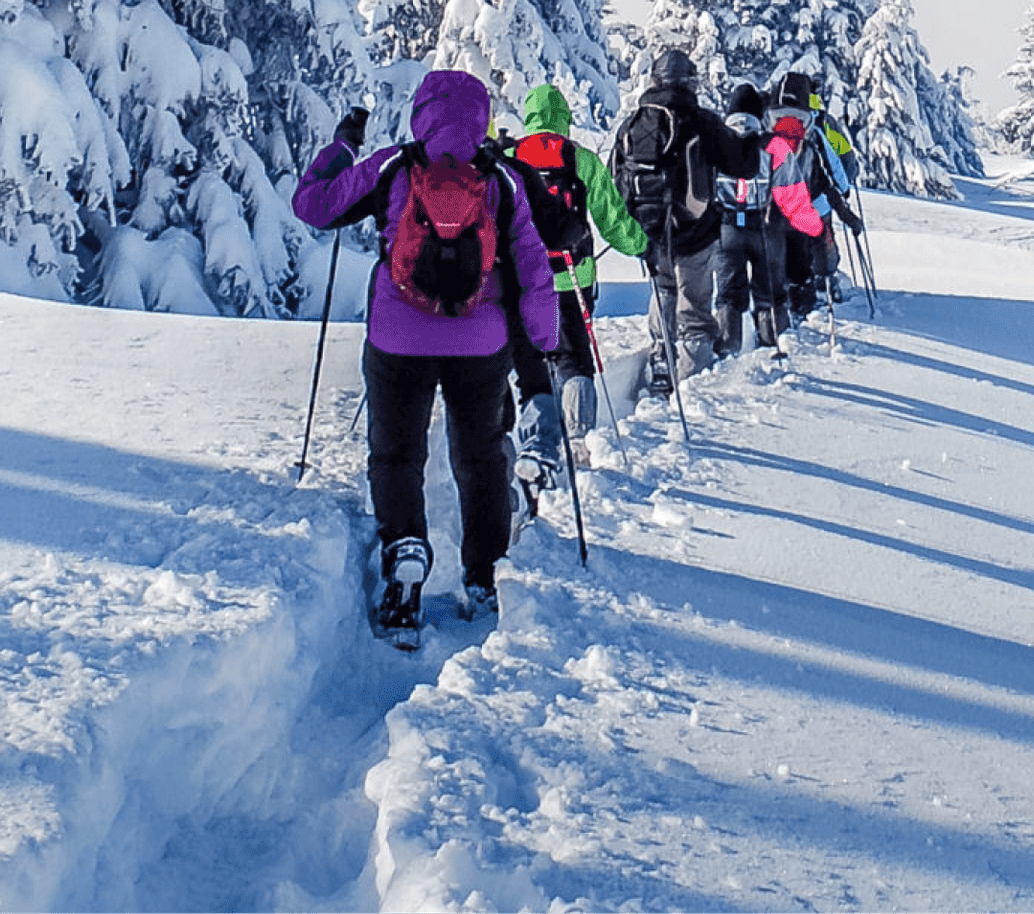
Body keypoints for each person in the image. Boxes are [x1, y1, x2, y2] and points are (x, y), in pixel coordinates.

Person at [294, 67, 562, 634]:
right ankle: (484, 578)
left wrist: (341, 148)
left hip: (398, 336)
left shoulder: (393, 165)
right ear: (481, 117)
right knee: (482, 457)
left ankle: (405, 560)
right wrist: (543, 337)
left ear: (420, 112)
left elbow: (313, 206)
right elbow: (533, 261)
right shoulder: (501, 177)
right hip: (481, 340)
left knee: (395, 453)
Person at [505, 81, 645, 474]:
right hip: (571, 277)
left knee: (529, 359)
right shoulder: (580, 160)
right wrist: (639, 245)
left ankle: (528, 438)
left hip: (521, 278)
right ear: (564, 117)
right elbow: (611, 218)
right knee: (573, 359)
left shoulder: (511, 157)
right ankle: (581, 439)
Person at [610, 51, 744, 386]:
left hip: (649, 229)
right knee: (695, 304)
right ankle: (693, 377)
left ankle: (660, 361)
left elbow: (616, 175)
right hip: (694, 228)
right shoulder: (701, 121)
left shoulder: (633, 122)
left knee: (664, 290)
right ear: (689, 81)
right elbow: (742, 165)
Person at [768, 66, 863, 323]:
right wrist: (844, 190)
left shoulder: (773, 118)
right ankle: (823, 283)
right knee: (821, 245)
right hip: (818, 201)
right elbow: (845, 157)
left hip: (778, 205)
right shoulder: (823, 123)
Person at [716, 81, 785, 350]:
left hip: (726, 226)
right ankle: (772, 342)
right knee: (767, 290)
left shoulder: (717, 141)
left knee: (728, 292)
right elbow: (787, 186)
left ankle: (727, 346)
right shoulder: (771, 145)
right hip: (763, 225)